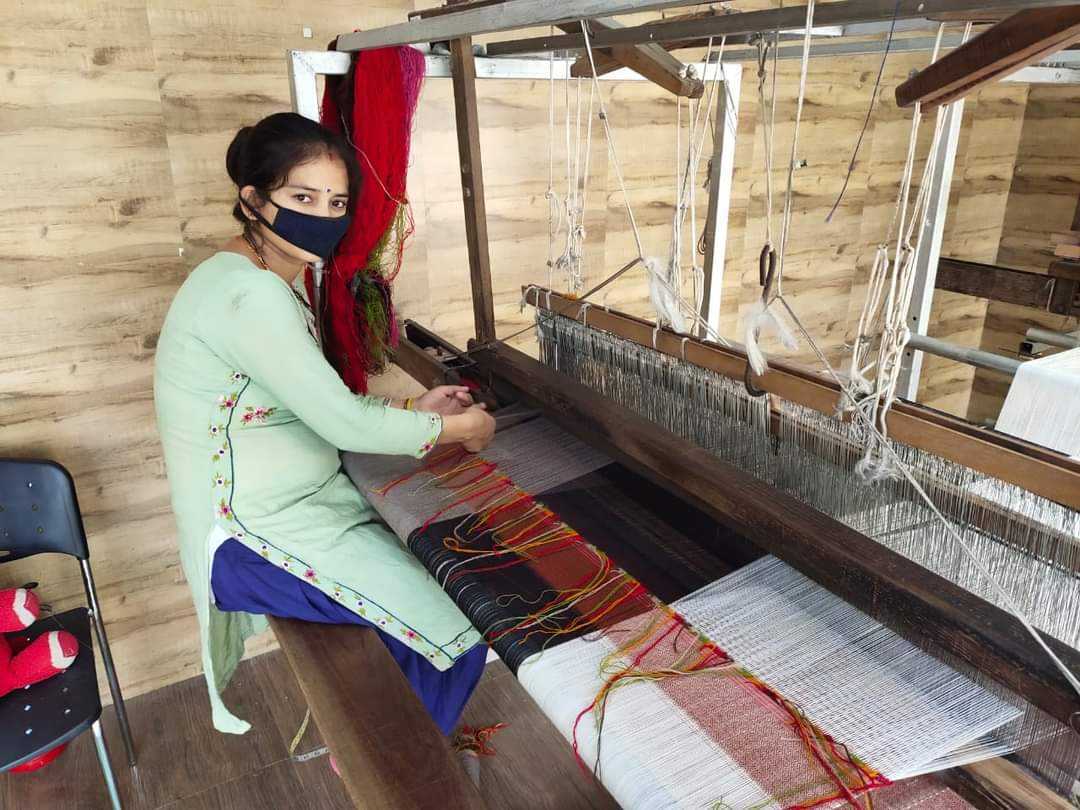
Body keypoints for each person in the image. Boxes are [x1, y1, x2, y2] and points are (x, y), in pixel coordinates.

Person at [153, 113, 495, 748]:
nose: (324, 216)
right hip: (252, 536)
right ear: (252, 200)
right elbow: (338, 418)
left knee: (447, 585)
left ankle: (384, 736)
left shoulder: (257, 276)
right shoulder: (249, 296)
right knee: (462, 630)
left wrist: (423, 410)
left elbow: (305, 404)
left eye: (336, 202)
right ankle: (397, 765)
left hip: (296, 509)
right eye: (302, 198)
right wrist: (461, 428)